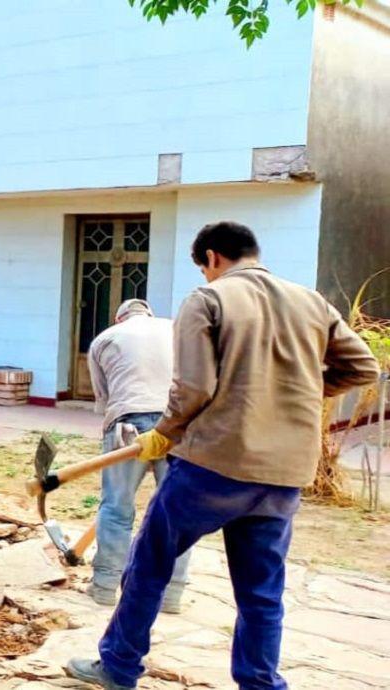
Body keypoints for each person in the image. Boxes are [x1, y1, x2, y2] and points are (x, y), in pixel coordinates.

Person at [67, 221, 379, 690]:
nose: (206, 276)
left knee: (150, 564)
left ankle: (118, 665)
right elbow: (363, 367)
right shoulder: (312, 302)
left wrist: (166, 433)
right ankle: (260, 683)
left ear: (211, 258)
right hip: (283, 475)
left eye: (204, 268)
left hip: (213, 465)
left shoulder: (207, 299)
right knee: (261, 592)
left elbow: (194, 387)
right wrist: (299, 393)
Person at [85, 298, 190, 613]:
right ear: (149, 314)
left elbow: (104, 401)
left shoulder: (104, 339)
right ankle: (171, 596)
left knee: (116, 507)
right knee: (177, 513)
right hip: (178, 426)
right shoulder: (176, 330)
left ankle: (104, 588)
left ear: (119, 319)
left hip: (127, 423)